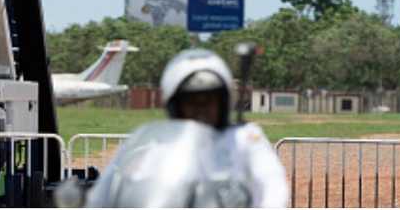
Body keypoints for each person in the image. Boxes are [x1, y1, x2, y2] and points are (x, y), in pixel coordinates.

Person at [78, 49, 289, 208]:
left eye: (209, 100)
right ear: (175, 105)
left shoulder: (245, 138)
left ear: (224, 102)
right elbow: (114, 188)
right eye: (191, 101)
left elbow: (272, 184)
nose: (201, 108)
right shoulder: (158, 143)